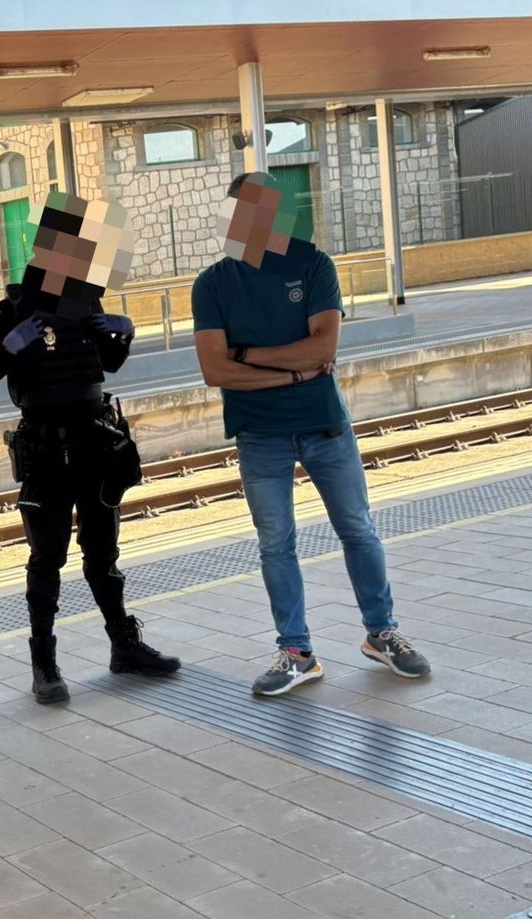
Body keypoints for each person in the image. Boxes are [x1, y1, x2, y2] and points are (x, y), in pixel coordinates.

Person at [191, 172, 431, 696]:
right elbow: (215, 370)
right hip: (260, 433)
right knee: (277, 544)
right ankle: (297, 653)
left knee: (358, 529)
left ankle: (381, 633)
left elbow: (322, 350)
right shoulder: (212, 283)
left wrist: (248, 354)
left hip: (325, 425)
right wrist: (293, 369)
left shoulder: (312, 264)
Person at [0, 192, 180, 703]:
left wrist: (124, 334)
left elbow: (107, 364)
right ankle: (45, 665)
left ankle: (123, 647)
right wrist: (7, 347)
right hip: (45, 447)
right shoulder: (13, 308)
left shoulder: (86, 300)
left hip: (95, 443)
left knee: (103, 554)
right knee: (48, 558)